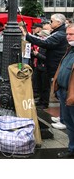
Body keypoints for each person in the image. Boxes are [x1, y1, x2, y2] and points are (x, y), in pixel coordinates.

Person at [21, 13, 68, 124]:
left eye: (51, 21)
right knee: (59, 93)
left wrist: (27, 35)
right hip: (54, 65)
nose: (49, 23)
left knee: (61, 93)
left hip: (56, 66)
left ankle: (64, 119)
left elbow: (44, 42)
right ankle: (62, 117)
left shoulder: (60, 34)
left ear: (59, 23)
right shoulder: (58, 33)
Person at [52, 23, 74, 158]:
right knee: (69, 124)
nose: (68, 37)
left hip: (71, 94)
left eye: (71, 34)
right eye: (67, 34)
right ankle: (72, 149)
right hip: (64, 92)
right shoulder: (69, 49)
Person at [32, 29, 51, 109]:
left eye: (41, 36)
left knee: (45, 86)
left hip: (45, 68)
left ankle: (45, 102)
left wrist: (38, 54)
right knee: (39, 84)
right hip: (38, 66)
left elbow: (47, 58)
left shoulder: (48, 46)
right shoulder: (41, 45)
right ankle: (40, 100)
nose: (39, 38)